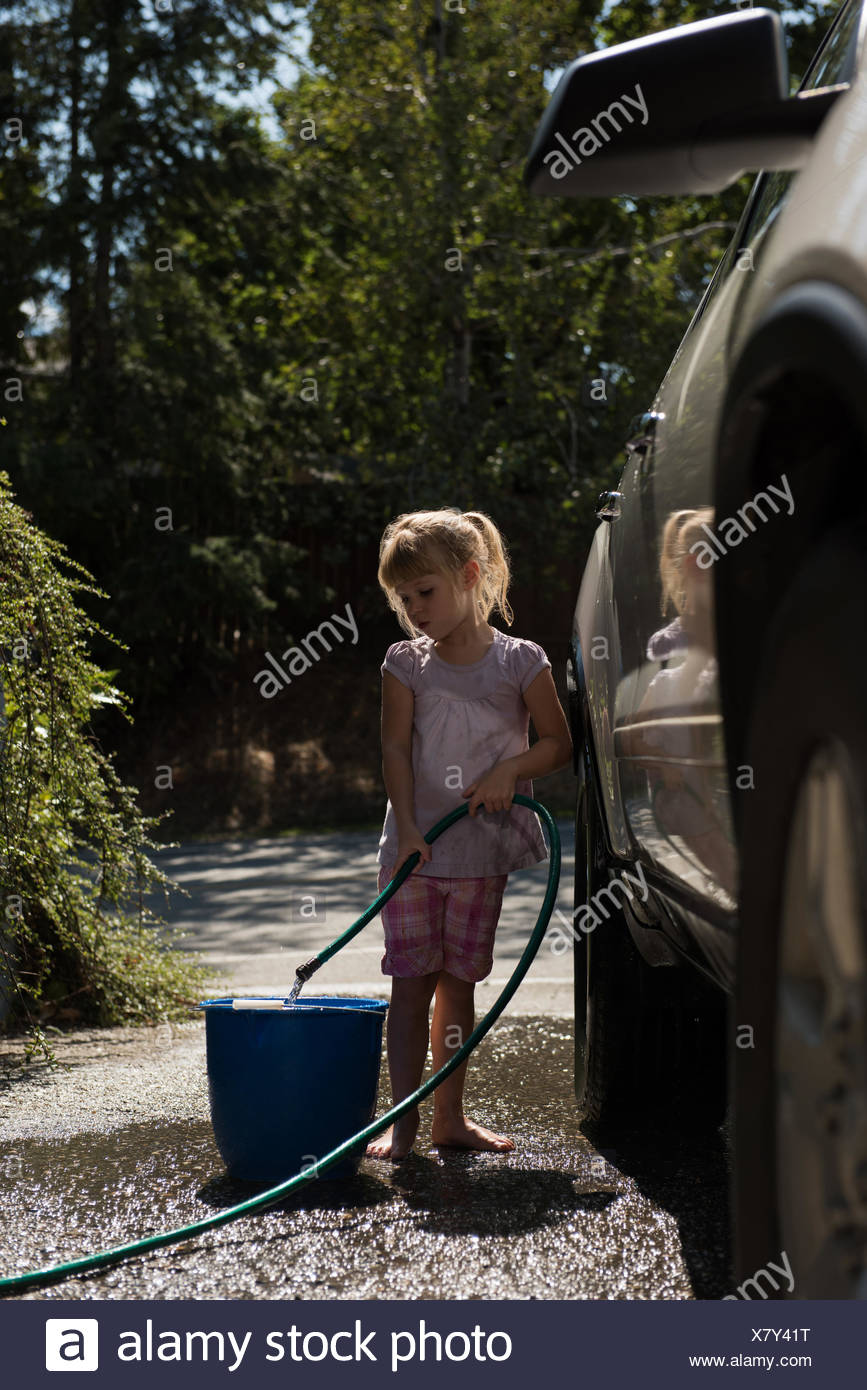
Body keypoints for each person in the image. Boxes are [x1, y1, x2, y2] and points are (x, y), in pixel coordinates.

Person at [366, 507, 572, 1162]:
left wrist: (509, 768)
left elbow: (558, 745)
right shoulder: (405, 665)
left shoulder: (520, 662)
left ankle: (447, 1119)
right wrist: (405, 831)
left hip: (479, 854)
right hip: (415, 853)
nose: (414, 608)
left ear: (470, 575)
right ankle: (401, 1127)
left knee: (458, 984)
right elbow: (395, 749)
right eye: (404, 598)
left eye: (424, 592)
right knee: (409, 983)